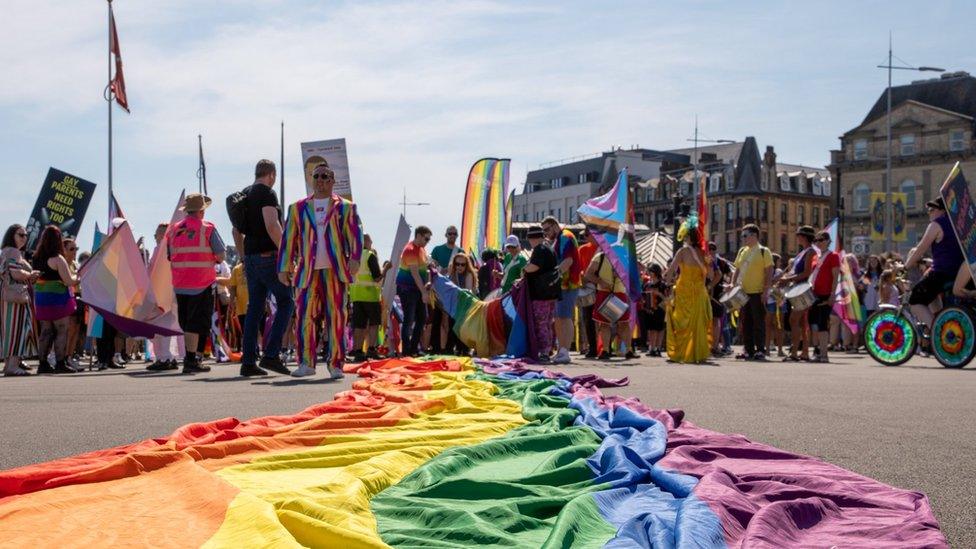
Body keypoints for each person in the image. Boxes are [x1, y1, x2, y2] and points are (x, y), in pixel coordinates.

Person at [279, 164, 363, 378]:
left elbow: (355, 234)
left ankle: (335, 364)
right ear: (311, 179)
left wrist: (354, 259)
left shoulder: (345, 207)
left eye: (326, 176)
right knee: (304, 316)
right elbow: (288, 239)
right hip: (307, 271)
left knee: (336, 316)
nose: (321, 180)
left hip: (335, 271)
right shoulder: (297, 208)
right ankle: (306, 362)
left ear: (333, 180)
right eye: (317, 176)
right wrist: (284, 266)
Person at [233, 159, 295, 377]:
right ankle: (271, 354)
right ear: (272, 175)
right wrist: (286, 252)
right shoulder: (267, 193)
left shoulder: (245, 194)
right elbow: (272, 224)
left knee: (255, 309)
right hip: (269, 257)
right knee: (287, 301)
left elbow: (235, 232)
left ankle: (248, 361)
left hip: (249, 257)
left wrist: (243, 256)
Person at [167, 193, 226, 374]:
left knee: (187, 322)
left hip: (180, 282)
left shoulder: (174, 230)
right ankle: (191, 360)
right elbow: (221, 254)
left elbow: (169, 256)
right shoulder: (207, 228)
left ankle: (193, 357)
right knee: (196, 322)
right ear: (201, 211)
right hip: (201, 282)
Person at [905, 197, 964, 336]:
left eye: (932, 210)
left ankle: (940, 333)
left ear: (943, 211)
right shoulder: (959, 225)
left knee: (915, 300)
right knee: (931, 295)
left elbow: (920, 248)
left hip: (942, 272)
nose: (929, 213)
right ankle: (940, 318)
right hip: (958, 272)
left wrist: (906, 266)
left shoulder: (936, 224)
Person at [663, 217, 712, 363]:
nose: (683, 239)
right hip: (699, 291)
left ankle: (682, 352)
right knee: (697, 323)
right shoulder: (704, 254)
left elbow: (671, 270)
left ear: (689, 237)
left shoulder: (683, 251)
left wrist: (667, 281)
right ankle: (697, 352)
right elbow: (710, 275)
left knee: (682, 321)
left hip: (684, 290)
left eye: (685, 236)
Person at [32, 225, 80, 374]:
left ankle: (42, 363)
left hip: (41, 298)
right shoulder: (58, 259)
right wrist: (78, 277)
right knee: (61, 330)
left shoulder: (36, 257)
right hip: (57, 298)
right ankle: (60, 363)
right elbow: (68, 281)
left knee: (46, 331)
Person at [541, 216, 581, 364]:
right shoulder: (558, 239)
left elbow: (568, 261)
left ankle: (565, 351)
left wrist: (553, 276)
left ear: (555, 226)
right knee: (558, 318)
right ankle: (561, 350)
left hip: (569, 284)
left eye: (547, 229)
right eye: (543, 231)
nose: (545, 233)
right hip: (562, 285)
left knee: (565, 317)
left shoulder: (566, 236)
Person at [584, 246, 635, 360]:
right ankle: (606, 350)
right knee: (604, 323)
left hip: (620, 293)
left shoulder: (624, 257)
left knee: (624, 323)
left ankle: (628, 349)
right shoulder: (600, 257)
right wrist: (601, 282)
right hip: (604, 292)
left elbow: (632, 276)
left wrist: (622, 275)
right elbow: (588, 274)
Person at [731, 224, 773, 361]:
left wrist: (766, 290)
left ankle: (760, 350)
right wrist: (733, 284)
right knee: (745, 322)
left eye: (745, 235)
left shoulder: (763, 251)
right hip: (743, 292)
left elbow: (769, 271)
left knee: (758, 322)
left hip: (757, 291)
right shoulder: (742, 251)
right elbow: (737, 269)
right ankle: (748, 350)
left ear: (754, 235)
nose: (742, 238)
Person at [1, 225, 38, 376]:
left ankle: (10, 364)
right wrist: (31, 274)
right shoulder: (14, 252)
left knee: (9, 330)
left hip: (7, 296)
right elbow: (16, 273)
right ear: (12, 235)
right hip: (16, 296)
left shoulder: (5, 251)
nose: (24, 238)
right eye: (20, 235)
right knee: (17, 330)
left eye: (25, 235)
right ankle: (12, 366)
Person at [778, 226, 817, 362]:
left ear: (805, 237)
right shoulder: (803, 252)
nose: (797, 237)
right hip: (797, 288)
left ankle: (795, 352)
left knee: (794, 320)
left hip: (804, 289)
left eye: (799, 235)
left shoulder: (811, 252)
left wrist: (787, 279)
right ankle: (804, 352)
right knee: (801, 321)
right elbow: (795, 271)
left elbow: (806, 273)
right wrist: (782, 278)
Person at [522, 225, 560, 363]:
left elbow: (534, 267)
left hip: (540, 293)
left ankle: (543, 351)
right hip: (551, 293)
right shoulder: (549, 248)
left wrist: (524, 269)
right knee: (548, 323)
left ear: (531, 238)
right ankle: (549, 349)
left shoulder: (539, 249)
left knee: (541, 323)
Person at [349, 234, 388, 363]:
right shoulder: (370, 255)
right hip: (370, 296)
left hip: (356, 296)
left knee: (359, 326)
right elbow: (377, 277)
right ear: (367, 242)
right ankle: (371, 349)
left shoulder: (353, 256)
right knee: (373, 324)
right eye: (371, 241)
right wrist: (386, 269)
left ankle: (358, 351)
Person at [396, 225, 432, 356]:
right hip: (407, 289)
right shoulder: (410, 249)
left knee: (422, 318)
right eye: (426, 238)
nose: (427, 242)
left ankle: (414, 348)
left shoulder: (422, 250)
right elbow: (415, 273)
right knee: (409, 318)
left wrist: (427, 282)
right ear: (418, 235)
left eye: (428, 239)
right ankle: (407, 350)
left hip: (417, 289)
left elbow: (425, 268)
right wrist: (424, 292)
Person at [428, 226, 463, 353]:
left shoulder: (460, 251)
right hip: (438, 290)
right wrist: (439, 270)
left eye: (454, 233)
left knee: (452, 320)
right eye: (450, 233)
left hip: (453, 291)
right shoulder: (437, 250)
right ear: (446, 235)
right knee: (437, 319)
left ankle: (449, 347)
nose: (452, 236)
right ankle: (436, 347)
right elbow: (430, 265)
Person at [808, 231, 840, 363]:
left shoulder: (833, 256)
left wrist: (832, 294)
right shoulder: (816, 257)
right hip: (814, 294)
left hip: (826, 293)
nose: (818, 243)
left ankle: (824, 354)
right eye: (816, 241)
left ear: (827, 241)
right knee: (813, 323)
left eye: (821, 240)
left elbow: (835, 276)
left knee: (822, 323)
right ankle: (817, 350)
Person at [445, 251, 477, 355]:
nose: (459, 266)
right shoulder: (452, 274)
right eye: (457, 264)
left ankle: (464, 349)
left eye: (462, 264)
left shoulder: (469, 274)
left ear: (466, 265)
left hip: (466, 305)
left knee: (463, 329)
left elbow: (468, 291)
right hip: (454, 305)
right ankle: (454, 349)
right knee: (452, 328)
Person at [576, 230, 598, 358]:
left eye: (587, 234)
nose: (584, 237)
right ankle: (593, 347)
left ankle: (604, 347)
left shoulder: (605, 249)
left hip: (601, 286)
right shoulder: (582, 249)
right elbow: (578, 268)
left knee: (604, 320)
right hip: (587, 287)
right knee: (588, 319)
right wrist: (582, 279)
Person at [707, 241, 732, 357]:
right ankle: (707, 344)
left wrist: (729, 284)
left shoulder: (721, 262)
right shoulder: (703, 260)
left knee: (716, 320)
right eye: (709, 249)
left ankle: (715, 346)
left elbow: (729, 273)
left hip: (718, 293)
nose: (711, 251)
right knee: (706, 319)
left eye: (713, 249)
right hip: (705, 293)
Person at [765, 253, 787, 357]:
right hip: (778, 300)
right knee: (778, 325)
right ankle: (779, 350)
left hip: (776, 299)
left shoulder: (771, 271)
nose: (780, 263)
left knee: (770, 325)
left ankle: (769, 349)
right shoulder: (776, 271)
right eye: (779, 261)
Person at [643, 263, 667, 357]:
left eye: (651, 271)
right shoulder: (647, 284)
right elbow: (643, 296)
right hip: (649, 309)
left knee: (660, 329)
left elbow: (667, 298)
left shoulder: (662, 285)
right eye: (649, 271)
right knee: (651, 329)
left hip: (660, 309)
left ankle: (658, 348)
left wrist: (658, 293)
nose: (649, 273)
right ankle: (652, 348)